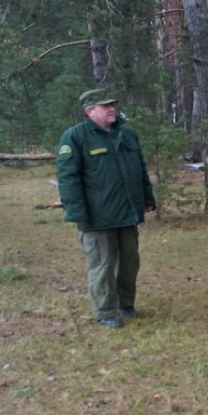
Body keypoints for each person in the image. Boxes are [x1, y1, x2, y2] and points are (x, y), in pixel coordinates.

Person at [56, 88, 156, 329]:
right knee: (102, 265)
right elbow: (68, 178)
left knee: (129, 263)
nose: (112, 109)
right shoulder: (75, 137)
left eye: (113, 104)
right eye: (105, 106)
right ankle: (105, 312)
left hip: (127, 213)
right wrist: (77, 212)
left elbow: (139, 169)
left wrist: (147, 197)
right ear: (89, 111)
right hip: (97, 217)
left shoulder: (127, 134)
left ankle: (126, 305)